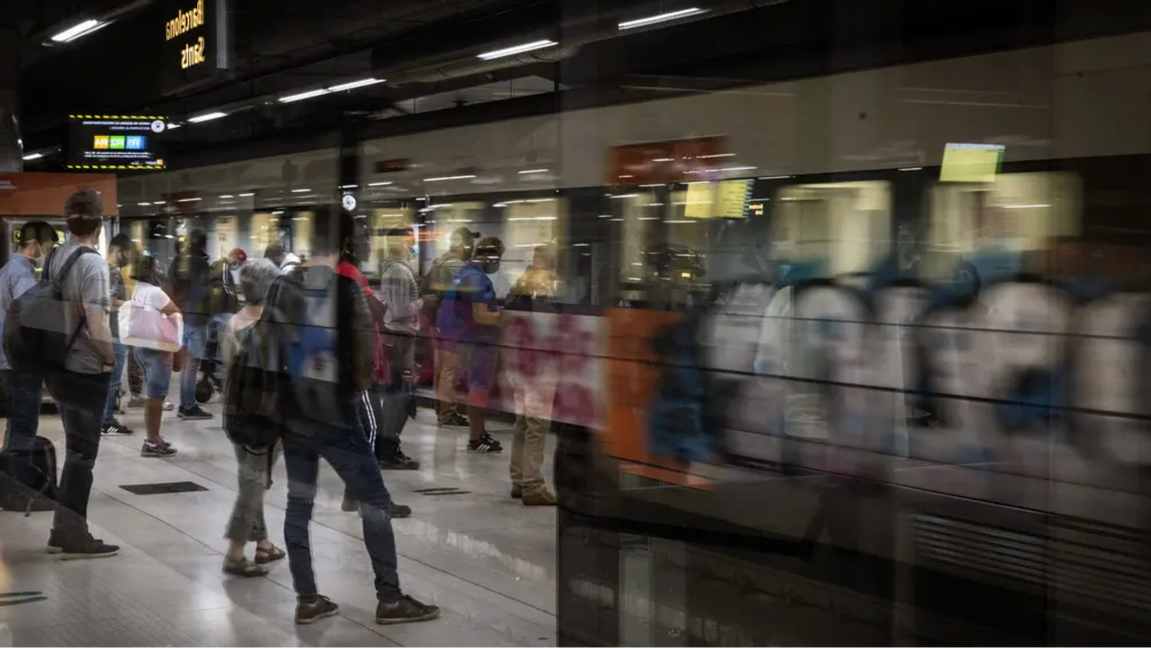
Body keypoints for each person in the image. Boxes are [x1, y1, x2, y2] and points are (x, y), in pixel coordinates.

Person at [267, 209, 438, 625]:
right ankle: (390, 599)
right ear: (345, 244)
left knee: (298, 503)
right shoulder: (348, 290)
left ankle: (308, 599)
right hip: (336, 415)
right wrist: (350, 396)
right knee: (375, 501)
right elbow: (363, 360)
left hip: (293, 412)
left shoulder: (281, 286)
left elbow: (268, 348)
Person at [43, 189, 119, 558]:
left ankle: (62, 529)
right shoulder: (93, 264)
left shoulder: (56, 256)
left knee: (75, 448)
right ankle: (73, 534)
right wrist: (110, 359)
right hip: (85, 369)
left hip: (55, 363)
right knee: (82, 454)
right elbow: (97, 322)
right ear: (99, 223)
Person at [334, 223, 415, 514]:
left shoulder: (344, 272)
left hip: (351, 363)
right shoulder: (349, 274)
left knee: (361, 431)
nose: (369, 246)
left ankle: (354, 494)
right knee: (373, 430)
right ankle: (371, 498)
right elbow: (374, 312)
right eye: (364, 240)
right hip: (357, 368)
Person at [220, 258, 285, 577]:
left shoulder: (233, 324)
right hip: (266, 417)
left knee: (250, 476)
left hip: (235, 412)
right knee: (255, 482)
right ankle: (235, 553)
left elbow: (226, 367)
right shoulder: (276, 327)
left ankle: (263, 543)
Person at [0, 221, 58, 512]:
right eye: (48, 246)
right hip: (19, 361)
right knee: (24, 426)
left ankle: (8, 486)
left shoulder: (5, 268)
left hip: (6, 360)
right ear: (34, 244)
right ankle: (18, 493)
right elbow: (30, 318)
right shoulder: (22, 273)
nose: (48, 253)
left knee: (15, 425)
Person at [437, 235, 505, 453]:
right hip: (479, 341)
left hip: (465, 339)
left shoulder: (463, 273)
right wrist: (506, 318)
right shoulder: (477, 278)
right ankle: (476, 438)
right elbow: (481, 316)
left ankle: (479, 433)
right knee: (479, 389)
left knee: (476, 387)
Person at [376, 227, 435, 470]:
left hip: (398, 337)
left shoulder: (394, 268)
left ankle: (388, 446)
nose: (413, 246)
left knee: (398, 393)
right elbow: (400, 310)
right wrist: (423, 302)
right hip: (400, 338)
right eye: (410, 241)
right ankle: (388, 449)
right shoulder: (399, 272)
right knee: (398, 395)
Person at [506, 245, 559, 506]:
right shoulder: (544, 287)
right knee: (537, 424)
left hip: (518, 361)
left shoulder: (520, 284)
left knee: (523, 423)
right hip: (539, 362)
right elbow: (547, 325)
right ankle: (533, 484)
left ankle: (518, 479)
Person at [423, 228, 476, 427]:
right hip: (452, 321)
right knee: (450, 370)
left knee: (441, 368)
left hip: (439, 319)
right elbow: (468, 292)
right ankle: (447, 412)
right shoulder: (457, 265)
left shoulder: (439, 261)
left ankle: (441, 408)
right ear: (464, 245)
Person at [130, 255, 180, 458]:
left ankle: (154, 438)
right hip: (157, 349)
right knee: (157, 397)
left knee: (153, 395)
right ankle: (152, 441)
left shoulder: (138, 288)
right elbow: (175, 314)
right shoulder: (155, 292)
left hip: (140, 347)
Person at [167, 229, 213, 420]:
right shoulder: (202, 264)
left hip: (179, 317)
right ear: (202, 244)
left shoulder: (177, 262)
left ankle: (185, 404)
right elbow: (204, 292)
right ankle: (188, 406)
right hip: (197, 318)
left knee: (186, 364)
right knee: (191, 365)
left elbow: (170, 288)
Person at [102, 234, 135, 437]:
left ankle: (104, 419)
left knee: (107, 379)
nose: (128, 258)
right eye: (127, 253)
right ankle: (106, 422)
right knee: (112, 381)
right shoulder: (113, 272)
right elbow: (112, 301)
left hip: (104, 332)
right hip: (114, 333)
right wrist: (132, 304)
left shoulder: (100, 268)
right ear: (118, 250)